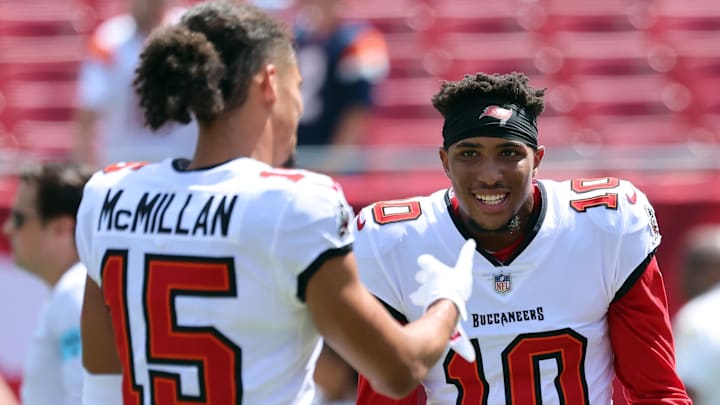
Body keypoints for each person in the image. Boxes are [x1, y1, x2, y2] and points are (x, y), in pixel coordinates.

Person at [75, 2, 476, 404]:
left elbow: (102, 386)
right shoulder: (295, 204)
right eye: (296, 86)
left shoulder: (107, 192)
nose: (298, 107)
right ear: (269, 83)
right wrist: (448, 301)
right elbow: (398, 370)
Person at [353, 72, 692, 404]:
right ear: (445, 162)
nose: (489, 175)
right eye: (469, 154)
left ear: (537, 159)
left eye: (509, 152)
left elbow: (657, 392)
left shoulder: (605, 225)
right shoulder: (395, 241)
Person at [2, 162, 94, 405]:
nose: (8, 229)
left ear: (61, 229)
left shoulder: (75, 292)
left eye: (19, 219)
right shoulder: (76, 288)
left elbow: (82, 398)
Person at [73, 0, 197, 167]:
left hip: (181, 156)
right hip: (125, 159)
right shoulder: (109, 40)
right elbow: (88, 109)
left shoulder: (192, 32)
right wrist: (83, 164)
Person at [292, 0, 389, 169]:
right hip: (295, 151)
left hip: (334, 152)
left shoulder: (360, 40)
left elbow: (359, 107)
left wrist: (335, 161)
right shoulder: (294, 39)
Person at [672, 225, 720, 405]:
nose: (680, 277)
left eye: (688, 268)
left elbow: (686, 393)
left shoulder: (698, 316)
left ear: (712, 271)